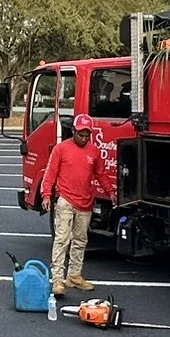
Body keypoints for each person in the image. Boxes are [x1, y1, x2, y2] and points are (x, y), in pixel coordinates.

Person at [36, 113, 113, 296]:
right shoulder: (61, 149)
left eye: (87, 135)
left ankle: (74, 275)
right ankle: (57, 279)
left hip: (85, 202)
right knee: (62, 239)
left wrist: (111, 193)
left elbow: (101, 174)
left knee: (80, 240)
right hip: (65, 201)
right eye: (81, 135)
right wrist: (46, 195)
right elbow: (50, 174)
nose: (84, 138)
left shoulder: (93, 151)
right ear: (73, 131)